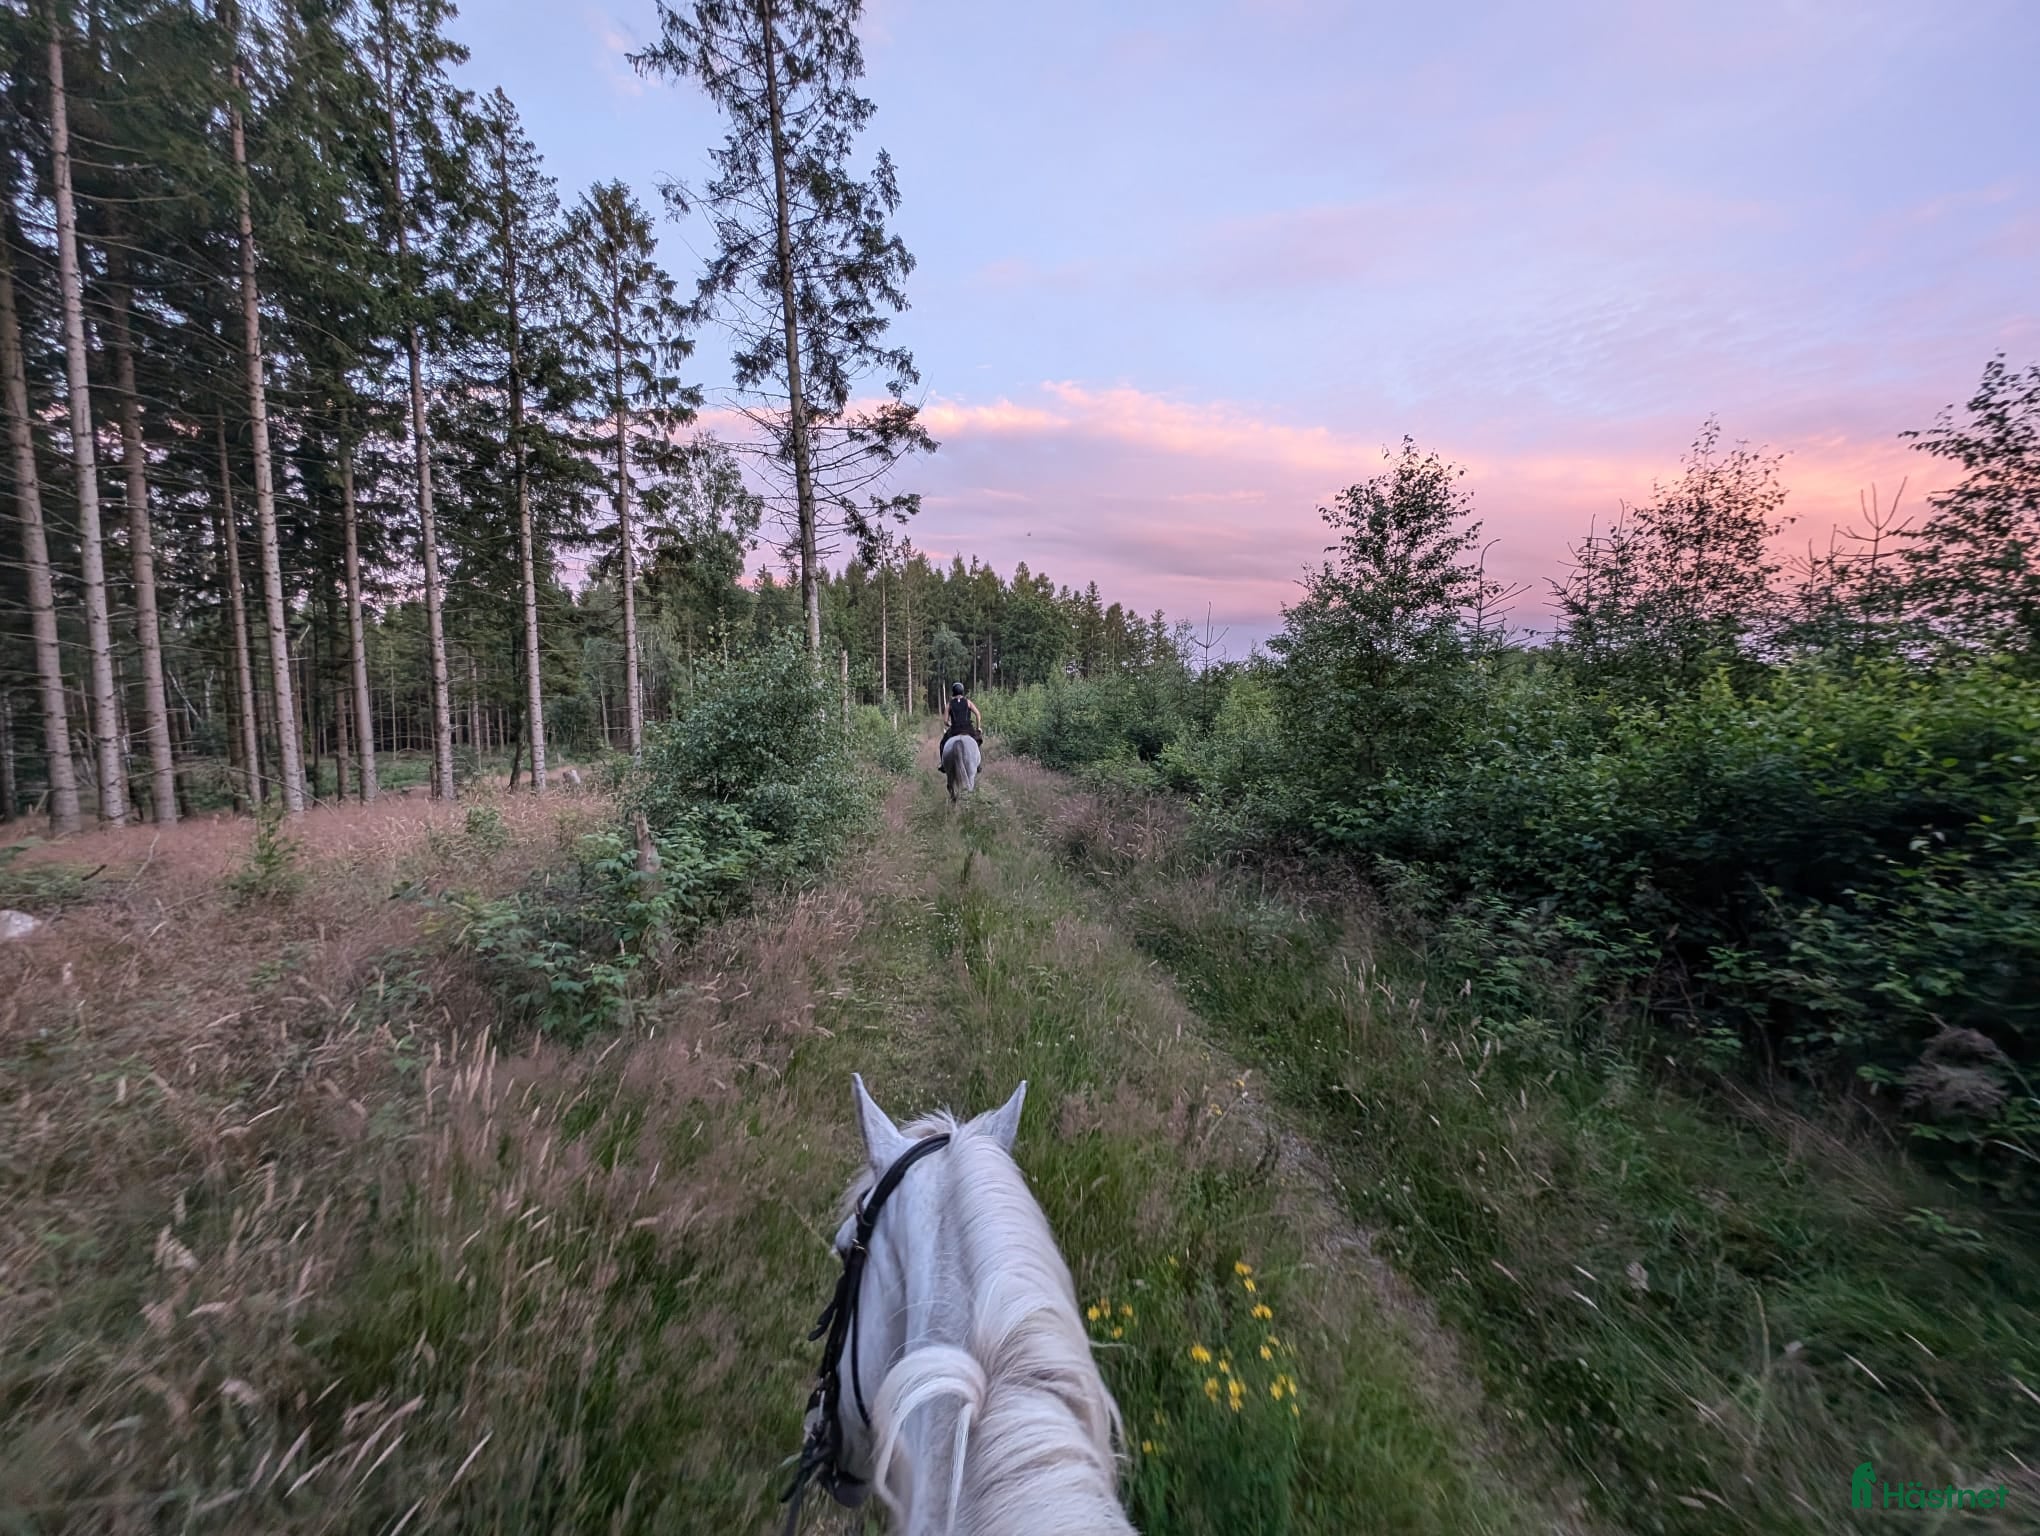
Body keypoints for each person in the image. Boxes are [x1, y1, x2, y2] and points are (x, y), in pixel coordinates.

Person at [940, 681, 983, 753]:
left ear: (953, 691)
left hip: (954, 730)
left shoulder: (949, 704)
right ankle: (979, 759)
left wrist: (950, 724)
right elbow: (978, 714)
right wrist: (978, 728)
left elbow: (945, 721)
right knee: (978, 741)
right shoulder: (968, 702)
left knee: (942, 744)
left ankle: (942, 760)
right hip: (968, 729)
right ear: (962, 691)